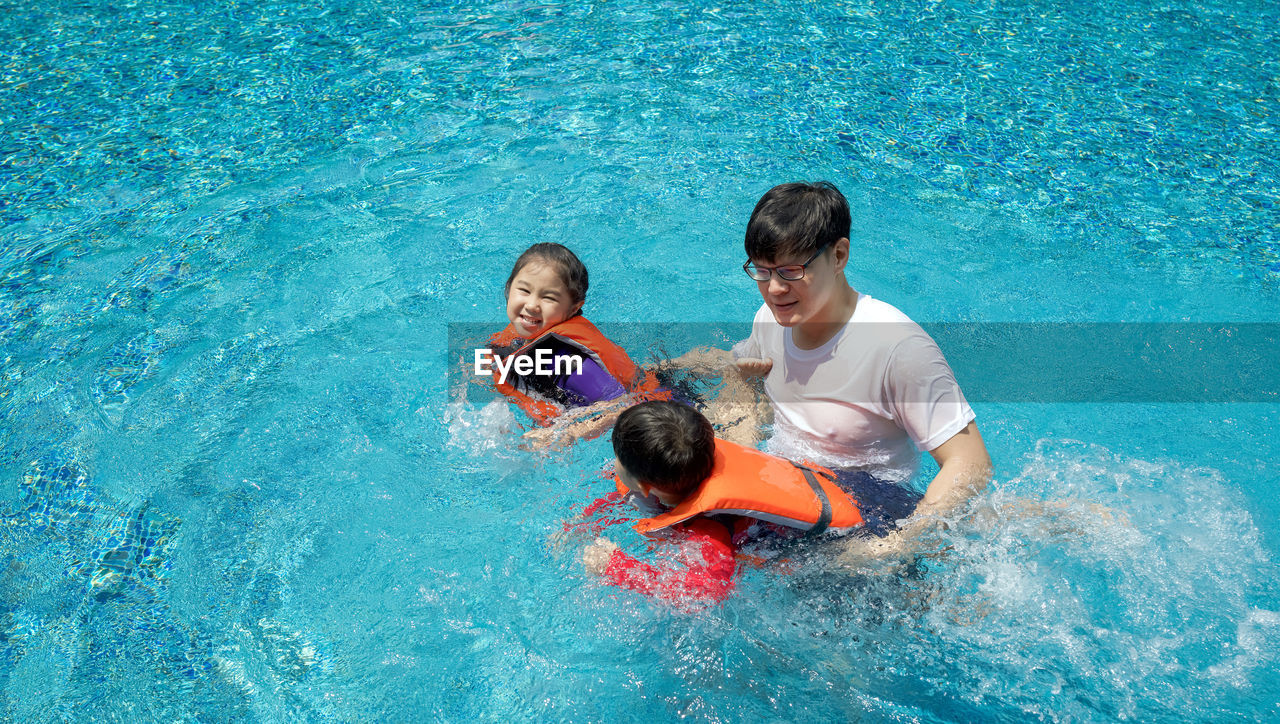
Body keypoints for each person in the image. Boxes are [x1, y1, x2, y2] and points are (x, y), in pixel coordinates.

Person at [683, 182, 992, 557]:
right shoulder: (771, 320)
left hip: (865, 518)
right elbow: (742, 372)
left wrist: (897, 546)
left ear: (840, 255)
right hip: (785, 496)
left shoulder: (898, 350)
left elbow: (970, 462)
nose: (775, 289)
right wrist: (735, 385)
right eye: (762, 272)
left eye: (791, 271)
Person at [578, 401, 865, 604]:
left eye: (617, 459)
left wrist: (617, 568)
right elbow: (629, 498)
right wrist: (587, 520)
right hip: (845, 489)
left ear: (643, 484)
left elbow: (704, 595)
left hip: (844, 547)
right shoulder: (690, 461)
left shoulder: (708, 528)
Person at [487, 243, 665, 442]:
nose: (531, 305)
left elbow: (625, 407)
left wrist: (569, 434)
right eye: (524, 291)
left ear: (573, 309)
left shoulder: (571, 364)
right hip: (626, 381)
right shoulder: (523, 334)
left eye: (548, 298)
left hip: (660, 413)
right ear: (509, 288)